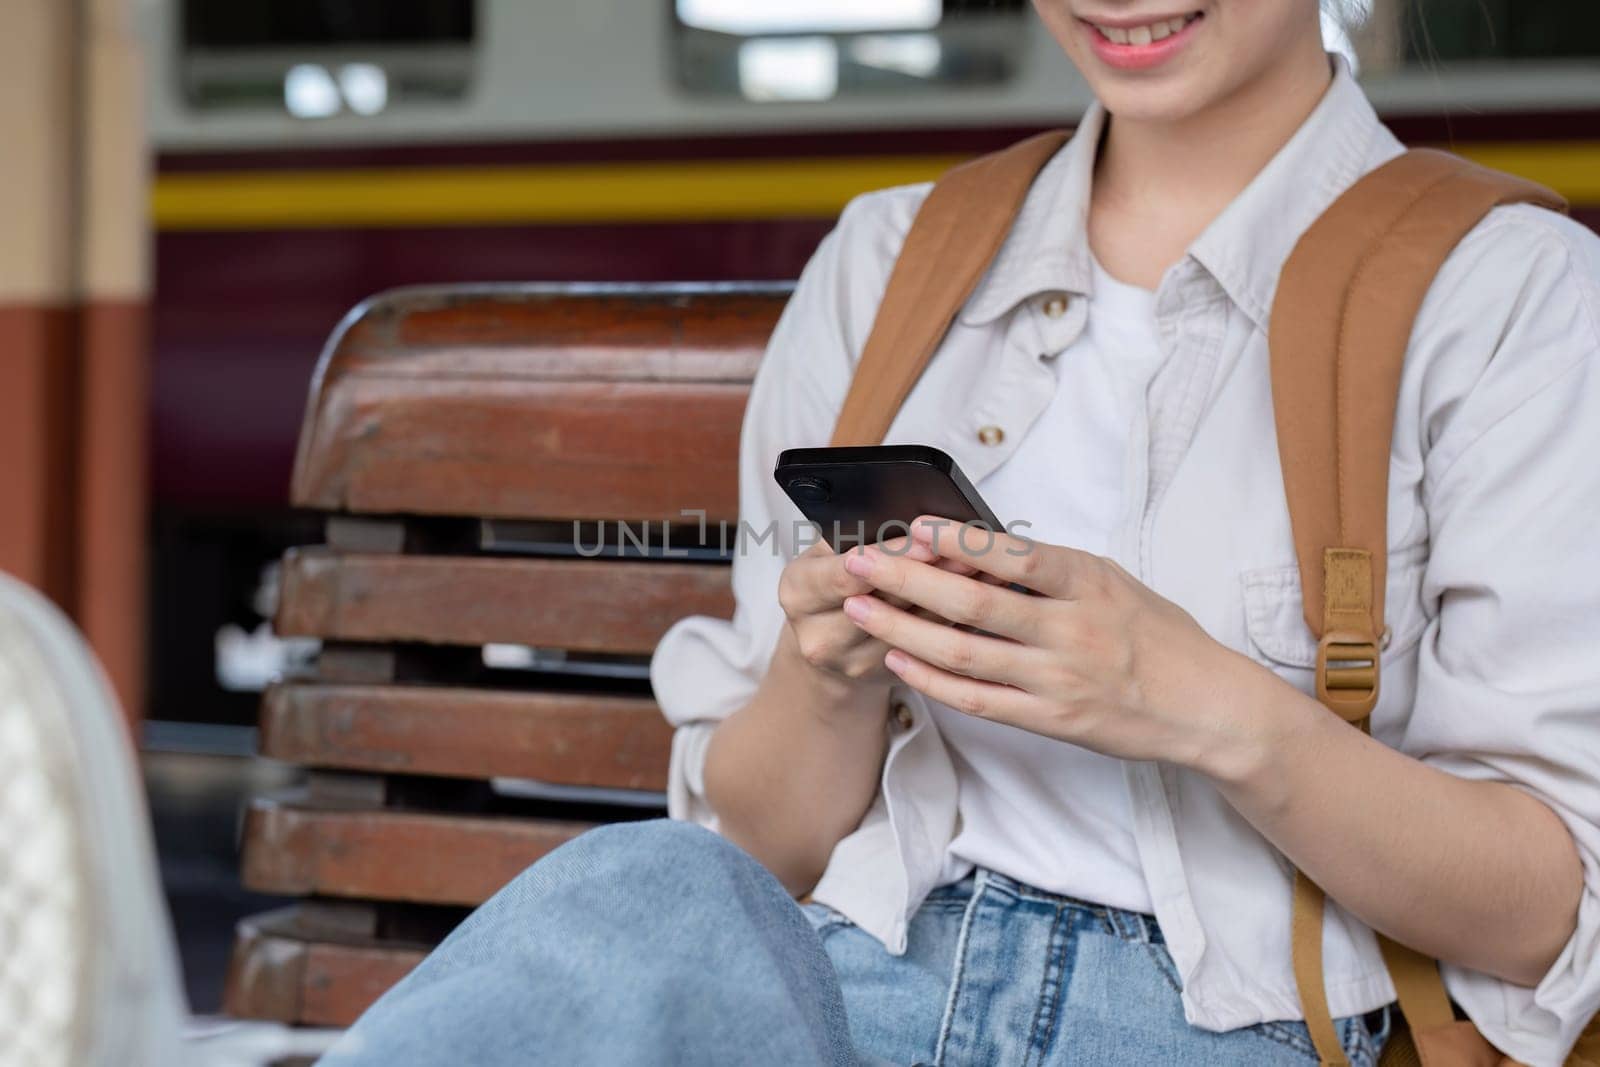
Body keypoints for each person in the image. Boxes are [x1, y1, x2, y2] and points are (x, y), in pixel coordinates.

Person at [322, 1, 1600, 1064]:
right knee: (642, 882)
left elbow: (1543, 909)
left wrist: (1191, 698)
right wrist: (822, 674)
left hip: (1224, 1029)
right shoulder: (889, 261)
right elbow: (762, 847)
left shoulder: (1510, 295)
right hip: (840, 988)